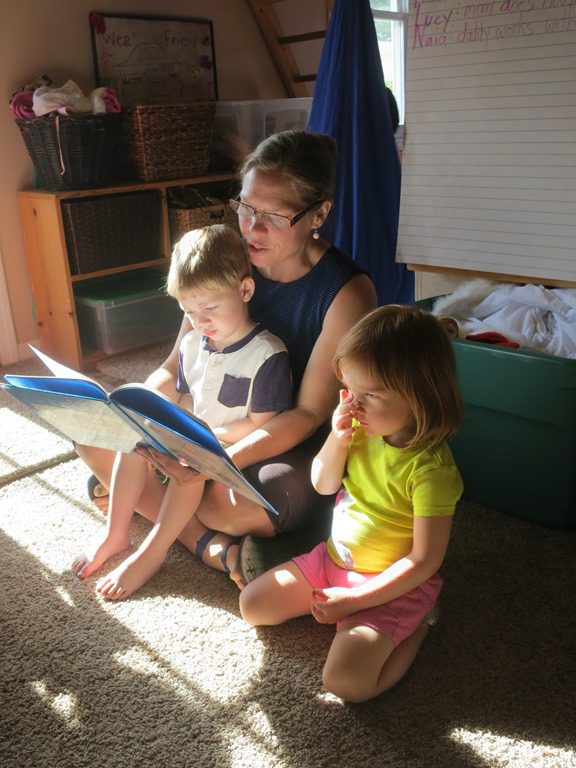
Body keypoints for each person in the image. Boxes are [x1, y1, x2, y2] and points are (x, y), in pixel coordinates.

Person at [76, 130, 377, 590]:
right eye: (246, 207)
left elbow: (308, 414)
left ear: (319, 214)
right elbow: (175, 367)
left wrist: (218, 458)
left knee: (236, 505)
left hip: (284, 441)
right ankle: (208, 545)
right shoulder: (224, 258)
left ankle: (152, 501)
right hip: (211, 422)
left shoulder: (346, 291)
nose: (252, 229)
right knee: (93, 433)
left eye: (274, 216)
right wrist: (145, 414)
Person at [239, 305, 464, 703]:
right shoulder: (360, 429)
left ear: (421, 395)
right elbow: (322, 483)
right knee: (252, 605)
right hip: (332, 562)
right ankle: (355, 615)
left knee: (347, 684)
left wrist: (358, 601)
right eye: (350, 392)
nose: (354, 407)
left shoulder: (432, 471)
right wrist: (337, 439)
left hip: (389, 586)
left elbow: (425, 560)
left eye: (370, 395)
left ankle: (419, 625)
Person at [72, 224, 293, 599]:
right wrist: (154, 418)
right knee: (135, 436)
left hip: (233, 451)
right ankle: (115, 533)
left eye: (209, 308)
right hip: (195, 436)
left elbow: (262, 424)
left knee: (187, 465)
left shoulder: (266, 354)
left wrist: (203, 435)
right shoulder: (193, 343)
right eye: (189, 311)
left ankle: (152, 553)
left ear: (244, 290)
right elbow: (187, 395)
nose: (200, 321)